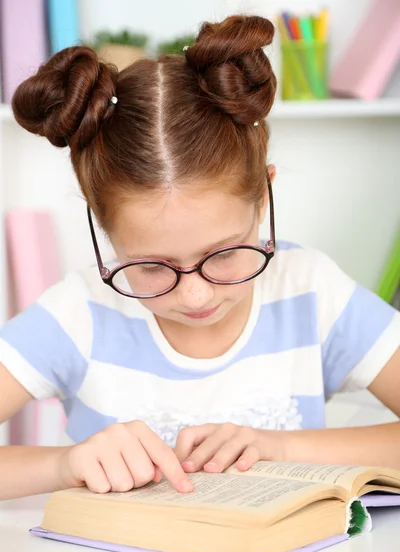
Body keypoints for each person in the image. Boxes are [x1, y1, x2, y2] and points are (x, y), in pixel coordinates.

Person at [0, 15, 399, 502]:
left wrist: (278, 447)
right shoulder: (78, 314)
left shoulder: (311, 292)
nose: (195, 294)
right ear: (103, 229)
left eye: (226, 253)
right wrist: (61, 464)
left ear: (264, 197)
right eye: (150, 267)